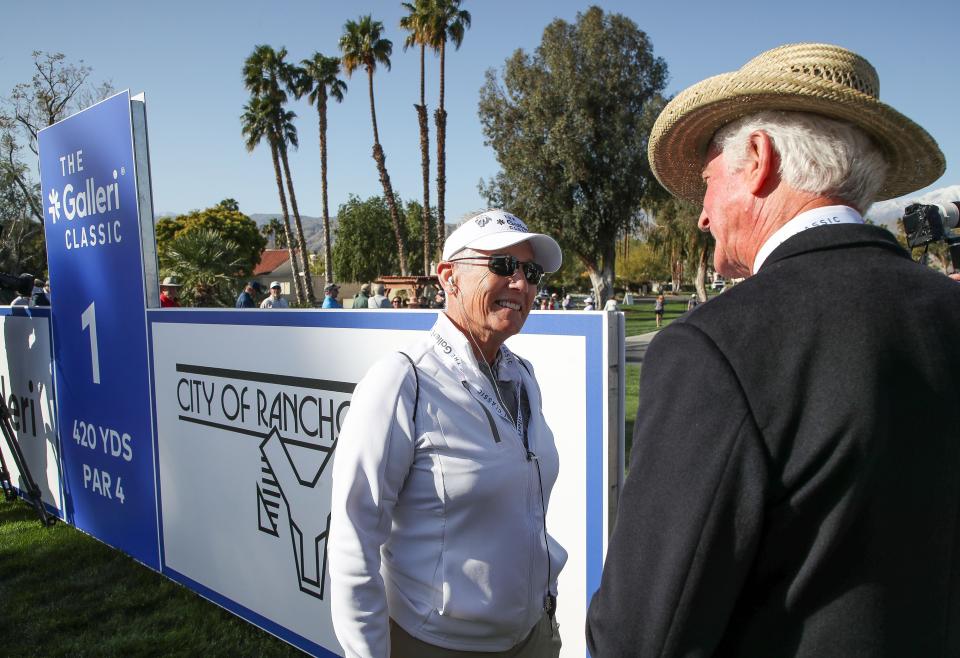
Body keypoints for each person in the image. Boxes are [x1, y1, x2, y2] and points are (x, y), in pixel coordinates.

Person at [586, 42, 960, 657]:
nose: (702, 217)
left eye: (706, 182)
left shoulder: (717, 347)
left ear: (758, 159)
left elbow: (643, 636)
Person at [330, 209, 567, 658]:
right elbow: (352, 540)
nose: (520, 283)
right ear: (449, 277)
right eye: (501, 265)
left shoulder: (522, 375)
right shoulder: (403, 380)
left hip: (534, 635)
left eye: (530, 271)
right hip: (439, 645)